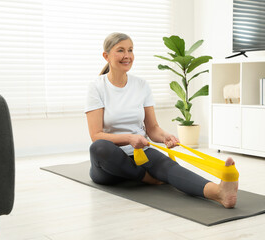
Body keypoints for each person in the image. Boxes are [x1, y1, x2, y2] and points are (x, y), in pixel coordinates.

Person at [85, 32, 238, 208]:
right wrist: (129, 138)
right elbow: (96, 135)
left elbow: (152, 128)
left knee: (169, 166)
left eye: (130, 50)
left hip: (140, 153)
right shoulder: (96, 87)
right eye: (120, 50)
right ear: (106, 56)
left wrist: (165, 136)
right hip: (109, 164)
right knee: (99, 148)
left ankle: (219, 193)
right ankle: (148, 178)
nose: (127, 56)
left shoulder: (141, 85)